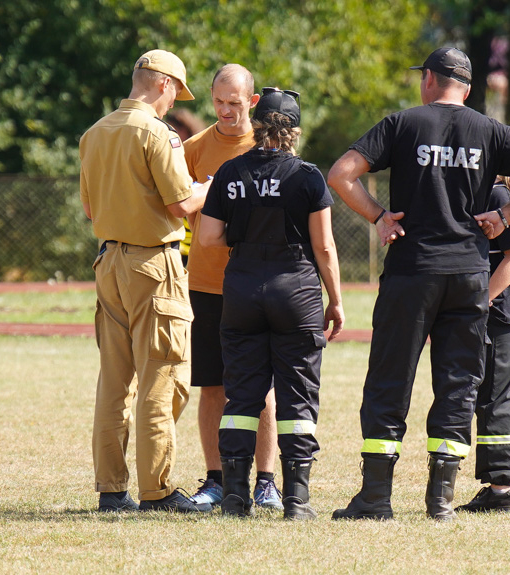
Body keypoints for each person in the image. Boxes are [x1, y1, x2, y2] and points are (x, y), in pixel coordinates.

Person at [327, 46, 510, 521]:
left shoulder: (401, 124)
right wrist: (505, 216)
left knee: (389, 380)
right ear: (469, 88)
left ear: (430, 80)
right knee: (459, 384)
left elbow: (340, 174)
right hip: (469, 275)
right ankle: (440, 502)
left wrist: (378, 216)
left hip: (412, 272)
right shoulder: (491, 131)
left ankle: (375, 498)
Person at [199, 87, 344, 520]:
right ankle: (296, 500)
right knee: (297, 396)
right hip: (296, 290)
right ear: (294, 131)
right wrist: (334, 300)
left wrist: (242, 242)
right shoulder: (308, 175)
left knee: (241, 395)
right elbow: (325, 247)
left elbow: (207, 237)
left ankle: (235, 498)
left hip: (242, 289)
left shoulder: (230, 171)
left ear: (256, 124)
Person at [79, 49, 213, 514]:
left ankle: (112, 490)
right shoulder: (159, 134)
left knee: (114, 382)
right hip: (154, 265)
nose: (175, 98)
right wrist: (208, 189)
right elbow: (180, 205)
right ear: (161, 84)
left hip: (108, 263)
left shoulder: (94, 134)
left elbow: (91, 211)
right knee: (163, 373)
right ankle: (157, 490)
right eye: (176, 88)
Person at [183, 64, 284, 511]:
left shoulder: (268, 147)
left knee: (261, 388)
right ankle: (216, 479)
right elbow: (177, 206)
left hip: (258, 283)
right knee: (212, 387)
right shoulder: (192, 149)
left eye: (235, 103)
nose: (226, 111)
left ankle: (266, 482)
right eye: (219, 102)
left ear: (253, 102)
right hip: (205, 284)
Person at [457, 175, 510, 514]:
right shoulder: (477, 190)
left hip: (500, 312)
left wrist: (482, 301)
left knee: (496, 396)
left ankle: (504, 489)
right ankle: (497, 486)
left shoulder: (495, 193)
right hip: (486, 310)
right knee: (486, 395)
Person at [167, 108, 207, 266]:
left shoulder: (198, 150)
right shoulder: (172, 154)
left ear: (185, 129)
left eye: (174, 130)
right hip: (179, 241)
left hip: (198, 235)